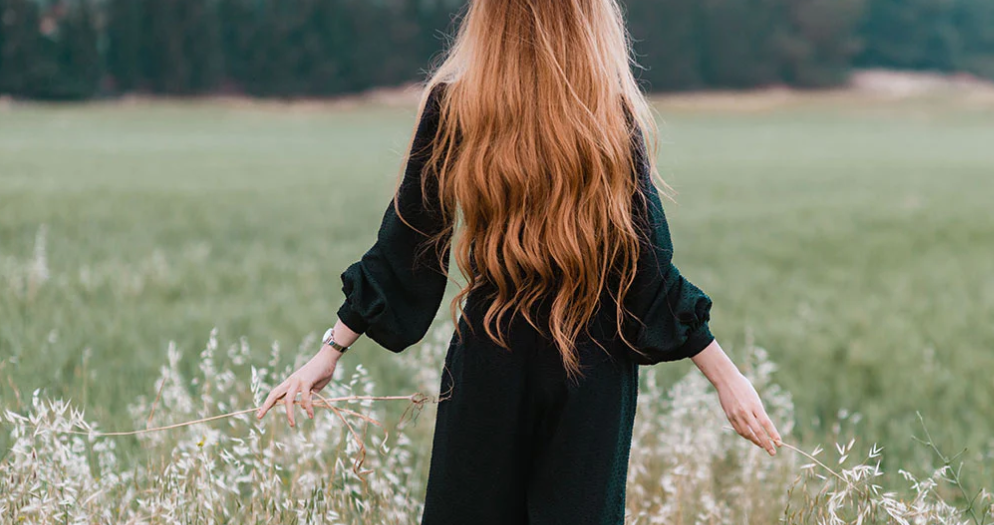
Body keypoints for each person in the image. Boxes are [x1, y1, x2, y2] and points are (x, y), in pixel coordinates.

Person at [257, 0, 783, 522]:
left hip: (490, 355)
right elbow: (645, 269)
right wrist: (725, 377)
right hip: (592, 366)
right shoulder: (609, 114)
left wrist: (331, 349)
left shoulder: (456, 105)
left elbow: (408, 247)